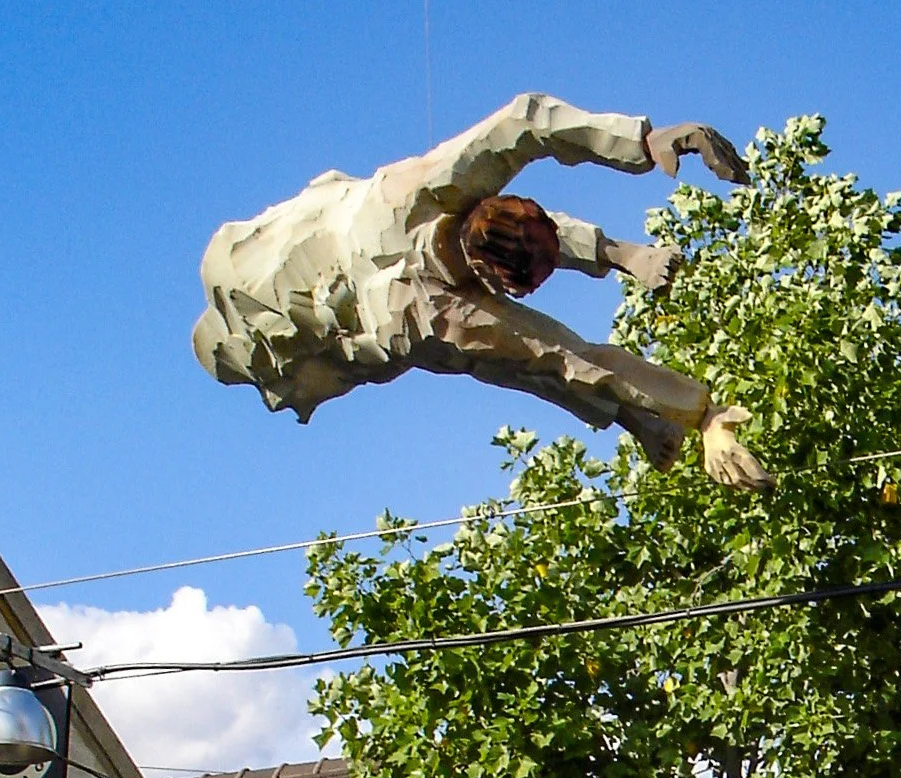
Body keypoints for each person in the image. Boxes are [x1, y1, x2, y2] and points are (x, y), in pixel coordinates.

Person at [193, 92, 771, 486]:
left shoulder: (424, 193)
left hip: (284, 244)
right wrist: (699, 415)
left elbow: (525, 124)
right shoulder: (424, 315)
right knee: (517, 357)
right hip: (286, 318)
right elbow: (559, 361)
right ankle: (646, 413)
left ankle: (638, 392)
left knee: (523, 352)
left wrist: (647, 147)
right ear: (491, 281)